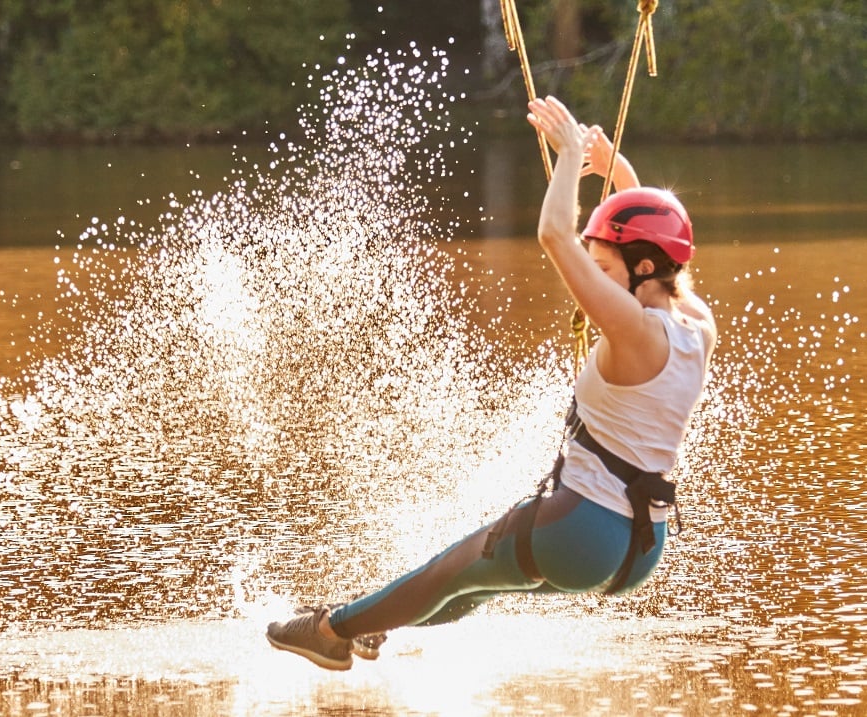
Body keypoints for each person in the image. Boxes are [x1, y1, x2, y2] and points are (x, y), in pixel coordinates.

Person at [265, 96, 718, 671]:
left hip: (581, 529)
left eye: (604, 270)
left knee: (450, 570)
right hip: (641, 546)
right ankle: (374, 623)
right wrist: (616, 171)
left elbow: (555, 233)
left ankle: (332, 631)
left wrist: (572, 156)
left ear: (642, 269)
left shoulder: (632, 329)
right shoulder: (696, 324)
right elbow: (655, 237)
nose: (597, 281)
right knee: (474, 583)